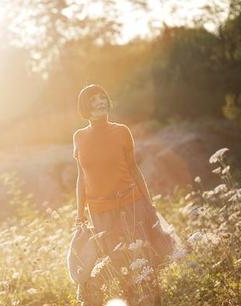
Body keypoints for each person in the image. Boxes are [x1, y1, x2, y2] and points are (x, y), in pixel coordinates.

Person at [72, 84, 176, 305]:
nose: (100, 101)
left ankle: (154, 301)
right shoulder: (79, 137)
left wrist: (149, 204)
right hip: (100, 213)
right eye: (93, 100)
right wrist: (80, 214)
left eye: (102, 97)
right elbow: (81, 177)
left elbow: (133, 169)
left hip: (131, 205)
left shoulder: (121, 131)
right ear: (85, 108)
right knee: (121, 267)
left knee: (145, 264)